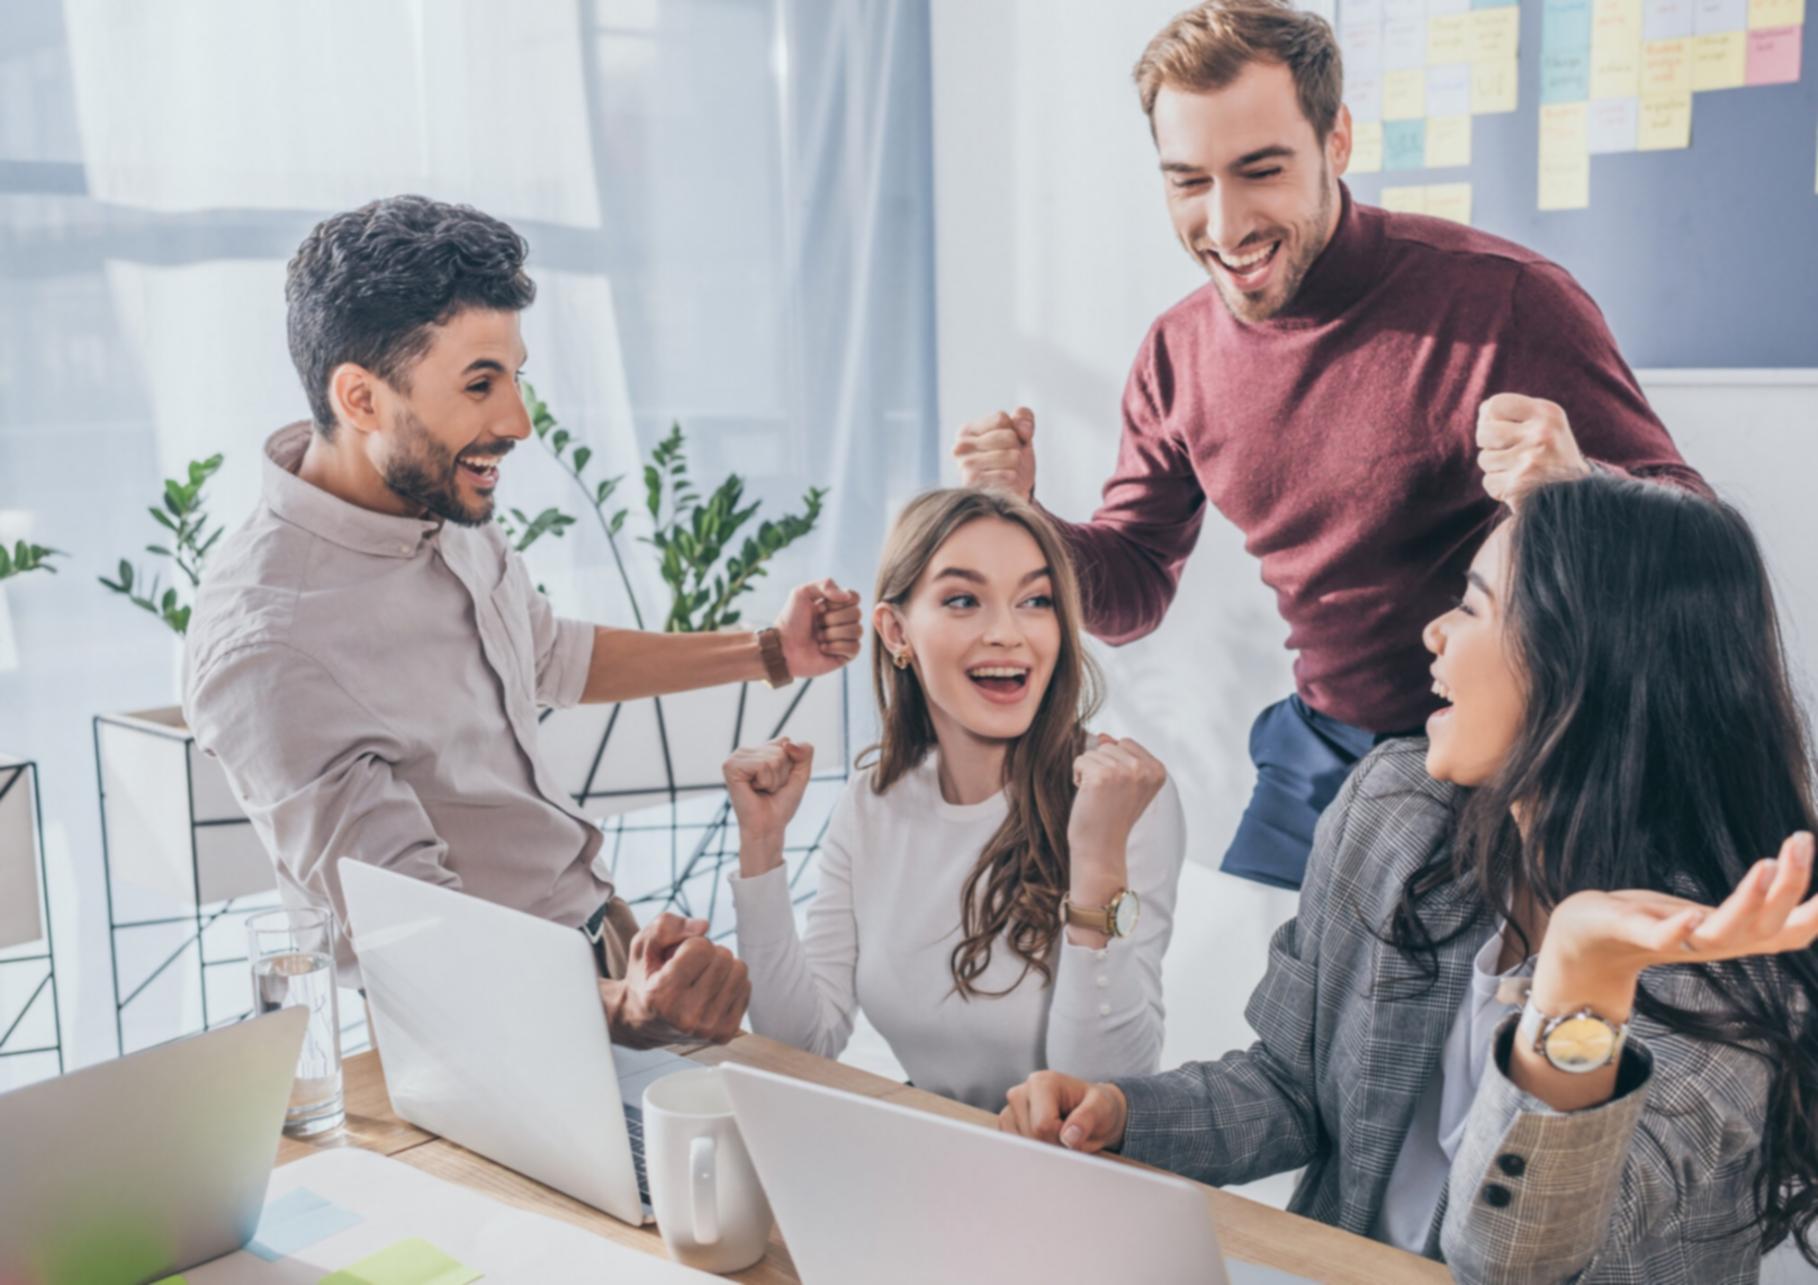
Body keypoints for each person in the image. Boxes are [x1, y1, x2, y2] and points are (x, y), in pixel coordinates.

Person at [953, 0, 1705, 890]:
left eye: (1260, 171)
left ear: (1337, 142)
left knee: (1467, 1018)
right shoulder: (1176, 352)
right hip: (1326, 745)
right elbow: (1135, 585)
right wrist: (1025, 522)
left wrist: (1581, 488)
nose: (1224, 227)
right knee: (1249, 983)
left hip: (1522, 748)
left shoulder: (1506, 303)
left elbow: (1698, 539)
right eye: (1188, 181)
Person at [998, 472, 1818, 1281]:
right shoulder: (1396, 807)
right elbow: (1292, 1084)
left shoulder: (1728, 962)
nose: (1434, 632)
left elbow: (1513, 1260)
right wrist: (1125, 1116)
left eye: (1471, 606)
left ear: (1581, 666)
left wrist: (1581, 981)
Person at [184, 195, 863, 1048]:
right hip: (482, 1038)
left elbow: (545, 653)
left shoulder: (433, 495)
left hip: (601, 951)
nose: (518, 422)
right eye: (479, 384)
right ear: (359, 397)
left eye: (515, 375)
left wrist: (771, 651)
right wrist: (621, 1012)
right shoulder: (271, 643)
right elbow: (419, 940)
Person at [721, 488, 1186, 1110]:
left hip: (1072, 1181)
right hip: (931, 1156)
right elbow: (803, 1042)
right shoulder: (872, 803)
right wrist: (761, 847)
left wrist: (1097, 859)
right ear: (895, 631)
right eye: (964, 600)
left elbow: (1101, 1097)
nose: (1006, 633)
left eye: (1036, 601)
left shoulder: (1124, 796)